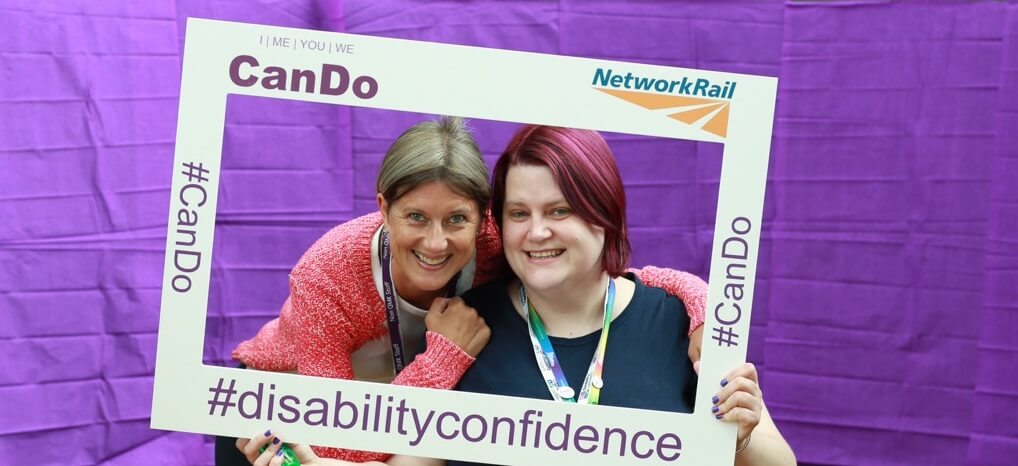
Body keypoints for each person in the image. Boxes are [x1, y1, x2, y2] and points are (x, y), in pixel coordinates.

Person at [239, 126, 795, 466]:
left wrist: (740, 436)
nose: (536, 233)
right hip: (299, 397)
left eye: (560, 210)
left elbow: (776, 462)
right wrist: (312, 464)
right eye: (519, 214)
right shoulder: (464, 329)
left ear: (604, 213)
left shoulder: (688, 327)